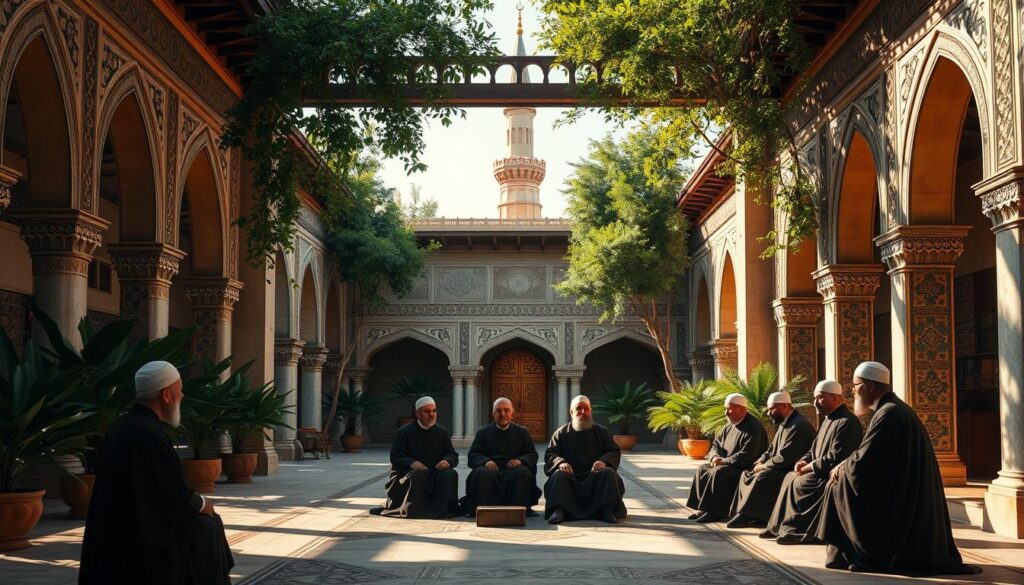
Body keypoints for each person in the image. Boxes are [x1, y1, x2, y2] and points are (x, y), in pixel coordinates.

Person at [811, 362, 979, 575]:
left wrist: (842, 469)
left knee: (836, 487)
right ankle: (843, 554)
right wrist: (845, 465)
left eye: (855, 386)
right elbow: (870, 455)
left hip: (900, 495)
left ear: (870, 387)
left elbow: (865, 463)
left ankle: (862, 554)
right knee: (837, 483)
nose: (853, 391)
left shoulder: (889, 414)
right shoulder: (891, 409)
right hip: (900, 487)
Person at [79, 361, 233, 585]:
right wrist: (203, 504)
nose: (182, 395)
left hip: (117, 532)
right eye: (179, 390)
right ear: (167, 395)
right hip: (141, 540)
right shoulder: (149, 433)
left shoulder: (123, 425)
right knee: (207, 527)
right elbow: (175, 497)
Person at [761, 380, 862, 543]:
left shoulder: (847, 422)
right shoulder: (828, 420)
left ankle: (798, 531)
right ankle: (778, 527)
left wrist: (809, 467)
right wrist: (803, 460)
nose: (815, 403)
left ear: (835, 398)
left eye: (820, 398)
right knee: (790, 477)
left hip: (829, 475)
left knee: (801, 482)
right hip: (817, 470)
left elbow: (836, 457)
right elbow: (813, 449)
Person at [726, 391, 815, 528]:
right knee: (747, 472)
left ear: (784, 406)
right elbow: (771, 449)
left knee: (762, 477)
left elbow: (785, 457)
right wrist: (761, 460)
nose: (768, 413)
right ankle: (745, 513)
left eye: (772, 409)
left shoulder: (798, 425)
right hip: (778, 465)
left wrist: (764, 466)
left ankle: (747, 516)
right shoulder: (785, 422)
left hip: (787, 468)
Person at [686, 393, 768, 523]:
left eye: (729, 409)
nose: (726, 413)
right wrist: (714, 458)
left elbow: (747, 455)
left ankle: (715, 512)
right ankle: (703, 508)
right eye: (725, 409)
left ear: (742, 409)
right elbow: (715, 445)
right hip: (726, 463)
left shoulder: (753, 427)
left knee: (718, 472)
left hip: (744, 467)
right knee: (703, 468)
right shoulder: (729, 425)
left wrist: (723, 461)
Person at [543, 395, 626, 524]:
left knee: (608, 473)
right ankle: (559, 510)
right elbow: (550, 454)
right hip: (571, 476)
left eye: (586, 408)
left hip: (594, 475)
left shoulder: (602, 432)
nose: (582, 412)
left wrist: (603, 461)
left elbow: (613, 451)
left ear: (590, 410)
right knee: (559, 476)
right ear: (571, 412)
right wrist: (561, 462)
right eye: (578, 408)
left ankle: (607, 510)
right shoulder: (560, 433)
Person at [374, 396, 460, 518]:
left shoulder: (441, 432)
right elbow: (396, 457)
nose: (431, 415)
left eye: (434, 411)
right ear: (417, 413)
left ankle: (445, 510)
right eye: (427, 411)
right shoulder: (404, 432)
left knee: (450, 474)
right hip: (408, 472)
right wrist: (412, 462)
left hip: (435, 472)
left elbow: (451, 454)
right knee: (417, 475)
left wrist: (447, 461)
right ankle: (416, 510)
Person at [461, 397, 541, 516]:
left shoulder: (522, 432)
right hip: (490, 470)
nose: (502, 414)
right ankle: (480, 510)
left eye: (506, 410)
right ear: (493, 413)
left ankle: (522, 510)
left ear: (512, 412)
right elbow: (473, 454)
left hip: (512, 471)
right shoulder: (483, 433)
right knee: (481, 473)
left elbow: (532, 454)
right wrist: (485, 461)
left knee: (522, 472)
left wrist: (520, 460)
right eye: (498, 411)